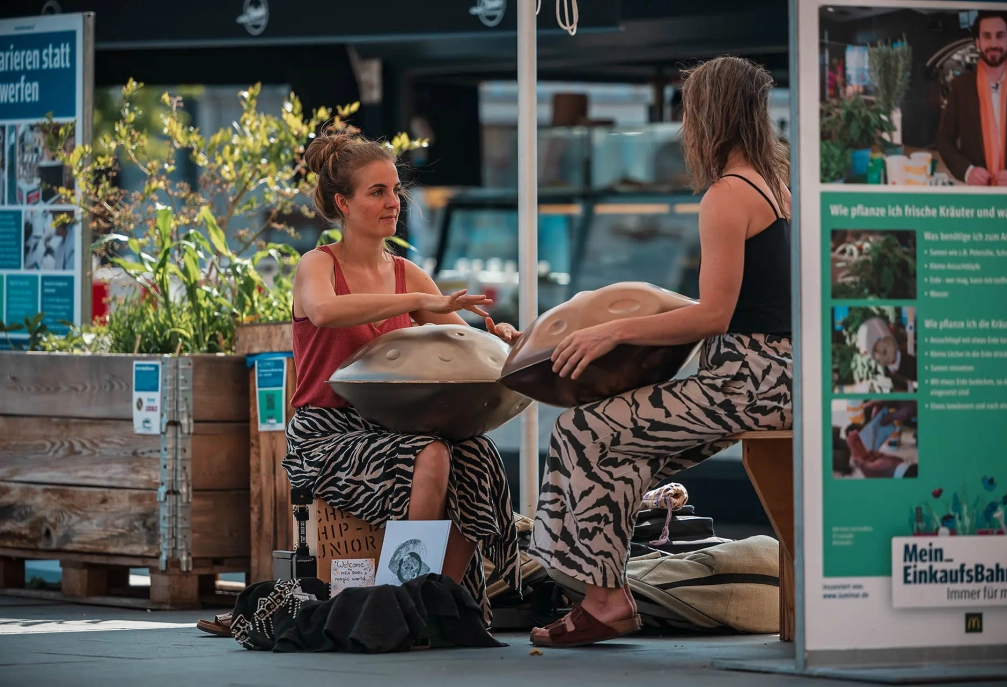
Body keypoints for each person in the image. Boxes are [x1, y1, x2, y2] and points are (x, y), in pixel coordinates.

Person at [197, 127, 521, 637]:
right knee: (431, 454)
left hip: (394, 426)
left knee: (477, 454)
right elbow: (326, 313)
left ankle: (443, 602)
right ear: (342, 203)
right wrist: (417, 304)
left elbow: (466, 351)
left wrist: (504, 340)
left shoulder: (410, 275)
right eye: (378, 191)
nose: (394, 201)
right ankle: (403, 607)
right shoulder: (316, 266)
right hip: (323, 432)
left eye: (396, 190)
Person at [527, 56, 793, 648]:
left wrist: (613, 332)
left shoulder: (726, 196)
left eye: (688, 110)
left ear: (708, 116)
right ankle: (606, 595)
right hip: (777, 380)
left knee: (581, 430)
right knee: (622, 454)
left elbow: (716, 315)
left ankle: (598, 597)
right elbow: (748, 304)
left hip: (745, 383)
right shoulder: (776, 189)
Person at [937, 10, 1007, 187]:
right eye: (987, 36)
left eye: (1000, 36)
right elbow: (944, 140)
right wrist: (967, 171)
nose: (993, 43)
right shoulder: (961, 87)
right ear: (978, 42)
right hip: (975, 197)